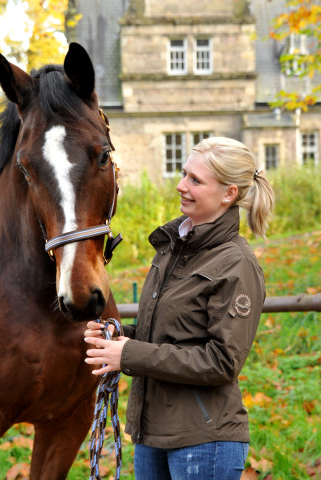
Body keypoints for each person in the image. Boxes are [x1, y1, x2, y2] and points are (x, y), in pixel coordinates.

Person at [84, 137, 274, 480]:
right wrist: (116, 337)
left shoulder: (237, 264)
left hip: (205, 441)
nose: (180, 185)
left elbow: (222, 362)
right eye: (185, 174)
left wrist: (128, 355)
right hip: (151, 435)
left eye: (195, 180)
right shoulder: (172, 249)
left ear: (228, 194)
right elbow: (168, 335)